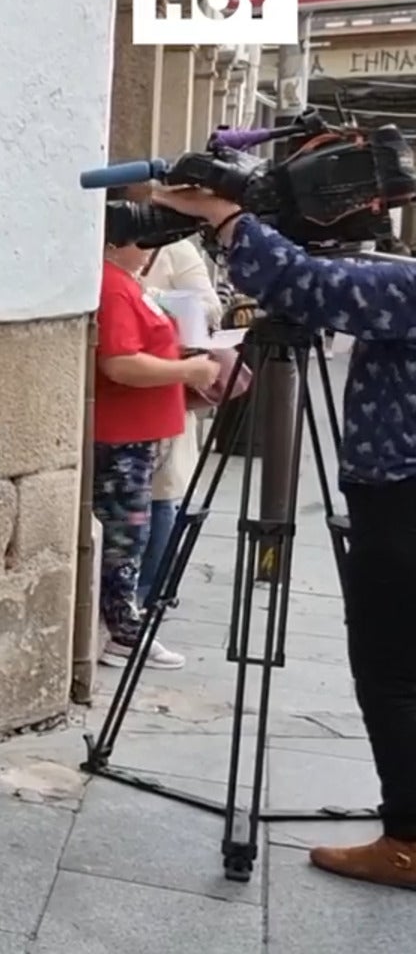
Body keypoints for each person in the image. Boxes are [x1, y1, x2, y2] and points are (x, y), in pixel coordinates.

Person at [153, 184, 416, 890]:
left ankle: (409, 840)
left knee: (392, 670)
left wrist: (228, 216)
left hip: (400, 498)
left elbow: (302, 283)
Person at [90, 233, 219, 672]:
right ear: (114, 243)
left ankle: (125, 616)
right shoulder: (114, 286)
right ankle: (123, 623)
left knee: (134, 527)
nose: (149, 250)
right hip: (122, 432)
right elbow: (120, 362)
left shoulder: (127, 282)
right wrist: (188, 369)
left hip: (140, 431)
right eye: (142, 241)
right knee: (125, 533)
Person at [135, 235, 223, 609]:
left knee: (163, 491)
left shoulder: (176, 250)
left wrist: (149, 297)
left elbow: (210, 309)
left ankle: (150, 595)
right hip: (123, 386)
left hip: (168, 380)